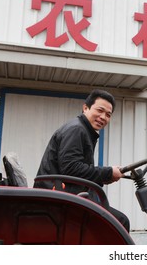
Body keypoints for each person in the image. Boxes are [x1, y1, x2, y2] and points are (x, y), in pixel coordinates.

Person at [33, 89, 130, 232]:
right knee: (120, 222)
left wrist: (107, 176)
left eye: (108, 115)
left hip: (70, 195)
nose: (103, 117)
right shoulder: (76, 129)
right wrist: (108, 172)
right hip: (60, 198)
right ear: (86, 108)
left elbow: (76, 169)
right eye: (100, 110)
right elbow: (71, 168)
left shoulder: (83, 130)